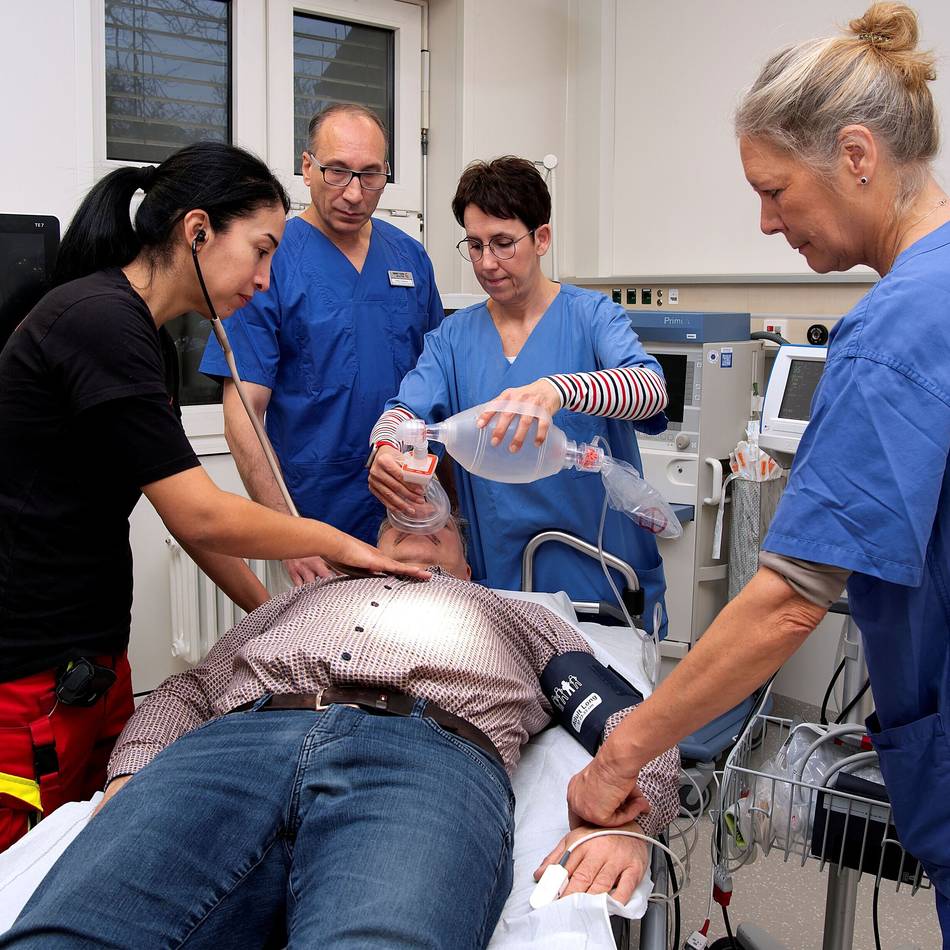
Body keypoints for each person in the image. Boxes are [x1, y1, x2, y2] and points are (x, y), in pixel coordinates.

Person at [567, 3, 950, 943]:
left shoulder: (895, 330)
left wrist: (624, 752)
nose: (767, 222)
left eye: (776, 190)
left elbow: (788, 600)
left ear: (857, 155)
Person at [0, 142, 428, 854]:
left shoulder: (144, 339)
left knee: (87, 847)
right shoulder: (97, 321)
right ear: (197, 231)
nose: (265, 280)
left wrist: (272, 617)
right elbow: (201, 511)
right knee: (28, 868)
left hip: (91, 652)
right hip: (30, 668)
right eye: (260, 252)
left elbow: (185, 516)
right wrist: (335, 541)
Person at [0, 517, 679, 949]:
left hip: (425, 755)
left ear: (469, 567)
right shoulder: (297, 601)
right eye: (393, 523)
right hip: (233, 743)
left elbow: (628, 715)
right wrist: (128, 779)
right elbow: (189, 690)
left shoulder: (511, 613)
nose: (413, 522)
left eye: (438, 526)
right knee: (71, 932)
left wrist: (631, 820)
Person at [368, 156, 669, 619]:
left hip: (602, 577)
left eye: (504, 243)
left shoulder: (592, 317)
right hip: (503, 582)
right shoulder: (453, 339)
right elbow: (406, 412)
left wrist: (558, 391)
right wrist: (386, 447)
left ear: (541, 238)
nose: (487, 263)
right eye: (474, 245)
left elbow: (650, 388)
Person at [200, 104, 444, 584]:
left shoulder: (410, 258)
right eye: (337, 172)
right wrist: (287, 532)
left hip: (407, 518)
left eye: (370, 175)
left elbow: (440, 389)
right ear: (307, 167)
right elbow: (243, 416)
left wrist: (450, 518)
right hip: (313, 524)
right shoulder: (270, 258)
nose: (354, 193)